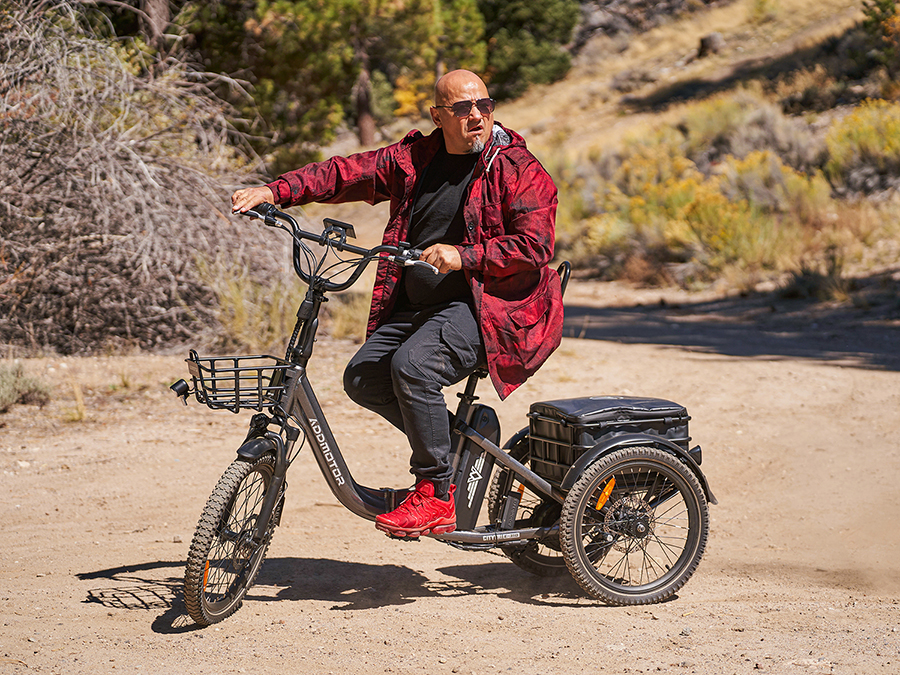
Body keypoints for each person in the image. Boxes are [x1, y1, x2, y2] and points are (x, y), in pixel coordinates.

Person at [232, 69, 563, 539]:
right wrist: (275, 191)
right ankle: (457, 446)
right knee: (364, 377)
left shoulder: (516, 169)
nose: (476, 116)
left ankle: (436, 493)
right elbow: (345, 172)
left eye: (484, 106)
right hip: (417, 308)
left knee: (413, 367)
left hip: (487, 308)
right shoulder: (415, 159)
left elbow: (534, 246)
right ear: (438, 115)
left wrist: (464, 255)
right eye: (463, 108)